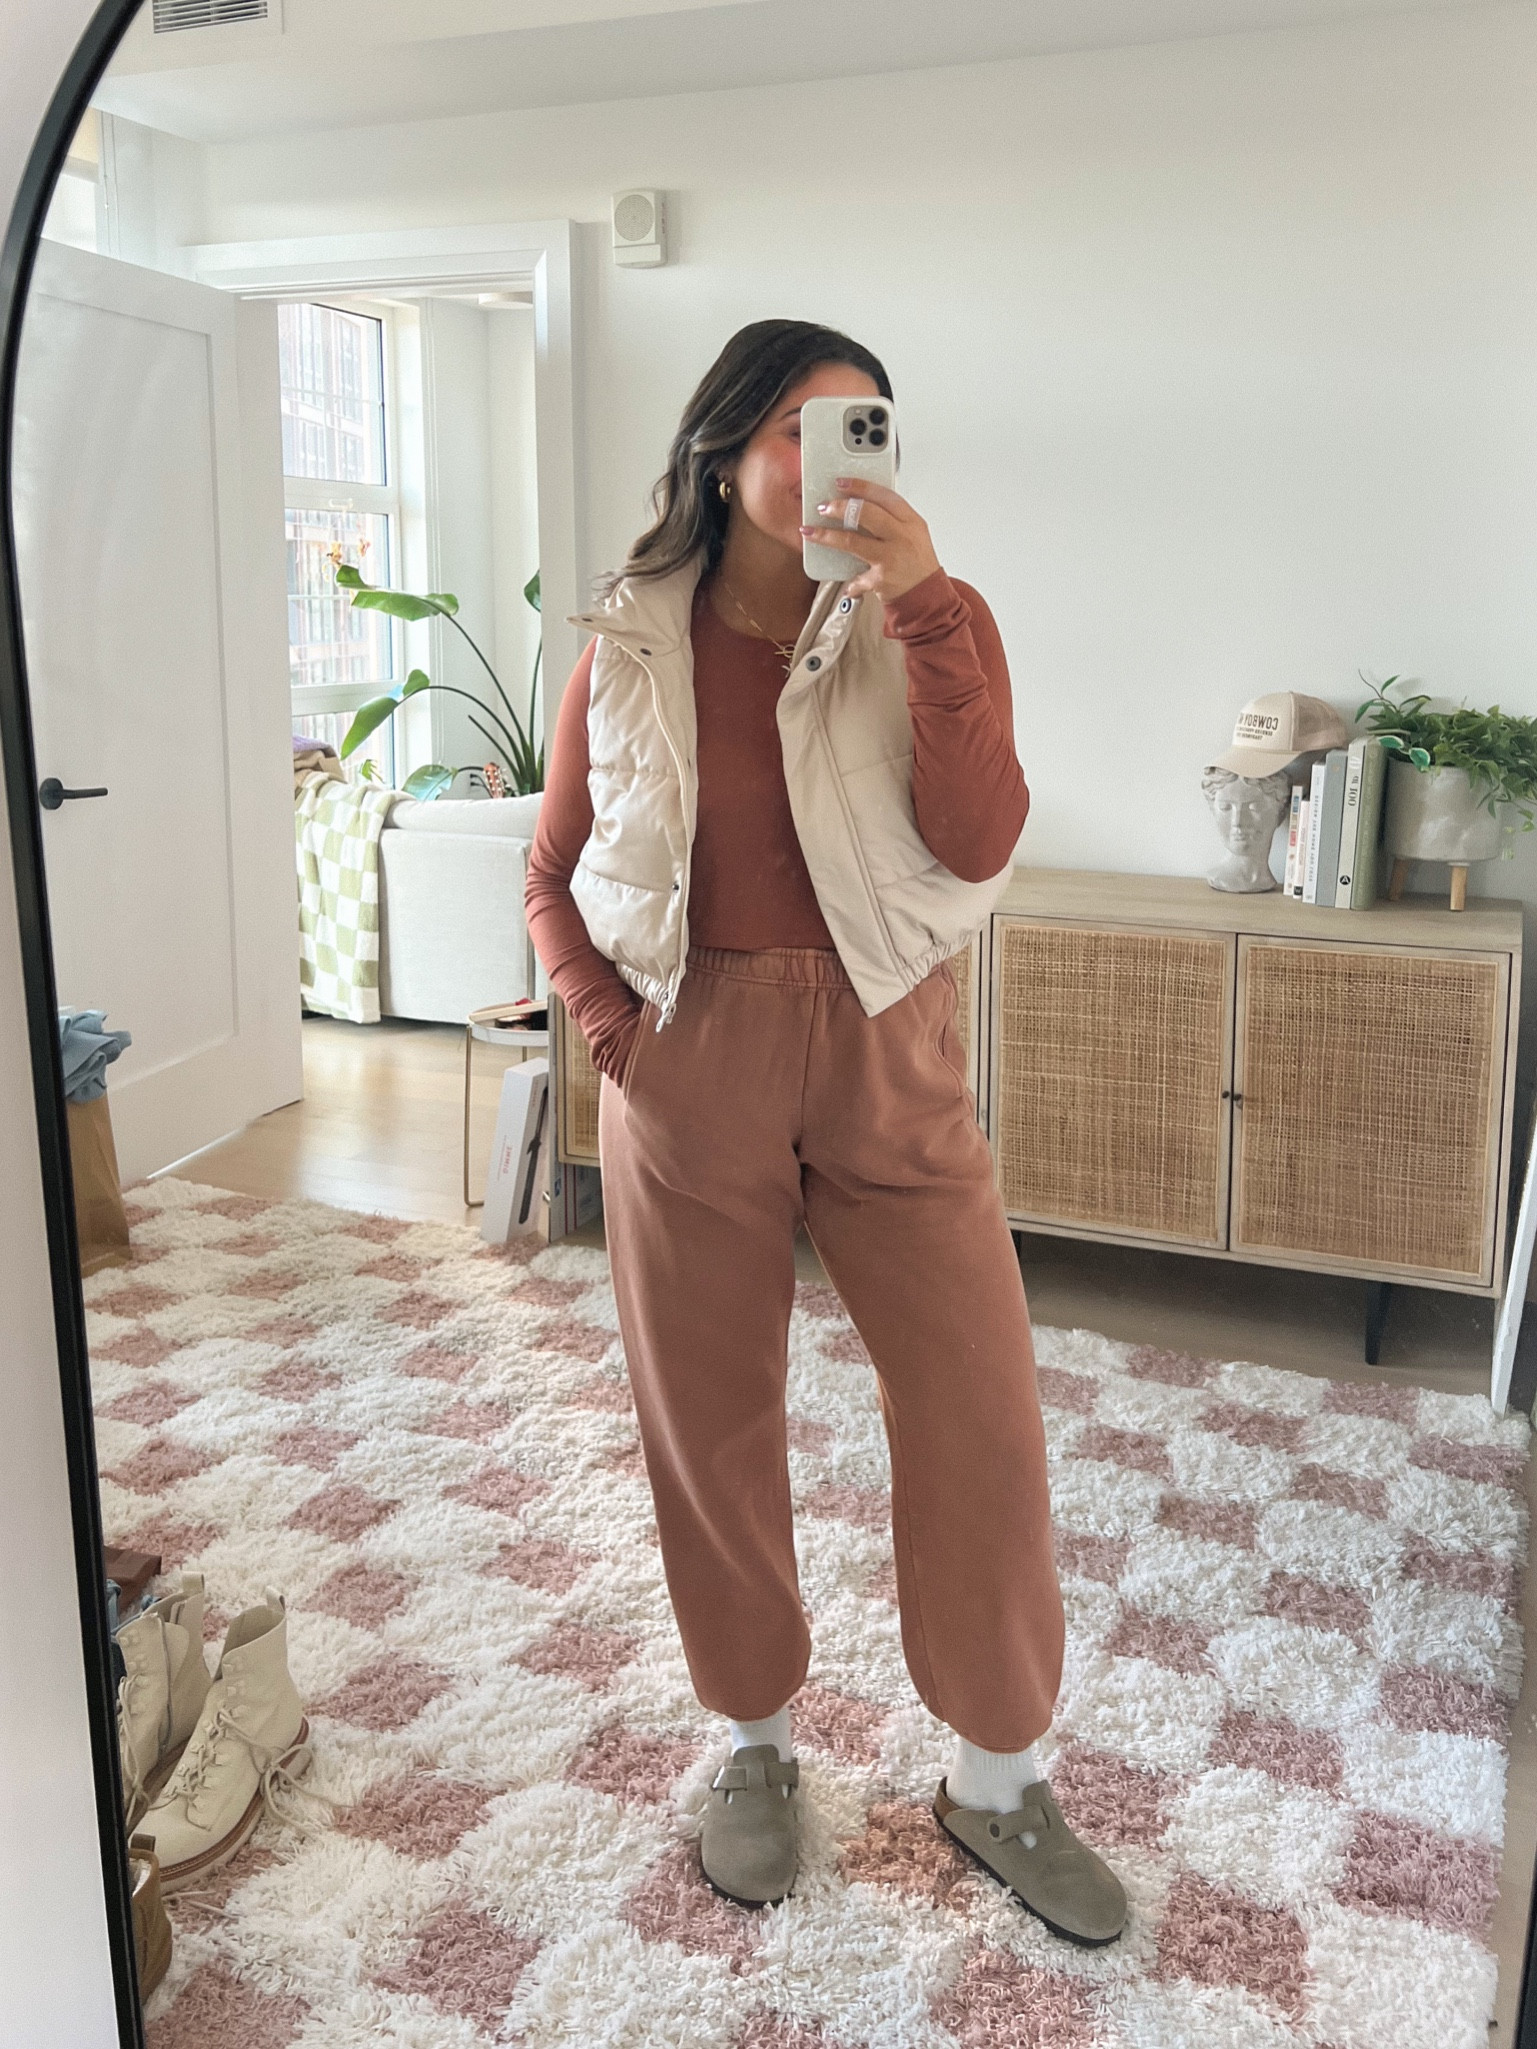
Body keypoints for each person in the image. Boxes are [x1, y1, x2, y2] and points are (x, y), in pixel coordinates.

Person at [524, 318, 1125, 1945]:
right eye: (797, 426)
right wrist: (618, 1042)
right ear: (723, 452)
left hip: (885, 1041)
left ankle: (995, 1777)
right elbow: (550, 869)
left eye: (861, 425)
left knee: (980, 1408)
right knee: (709, 1419)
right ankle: (754, 1748)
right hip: (686, 1046)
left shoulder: (929, 616)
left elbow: (979, 827)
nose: (831, 456)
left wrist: (923, 608)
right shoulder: (626, 642)